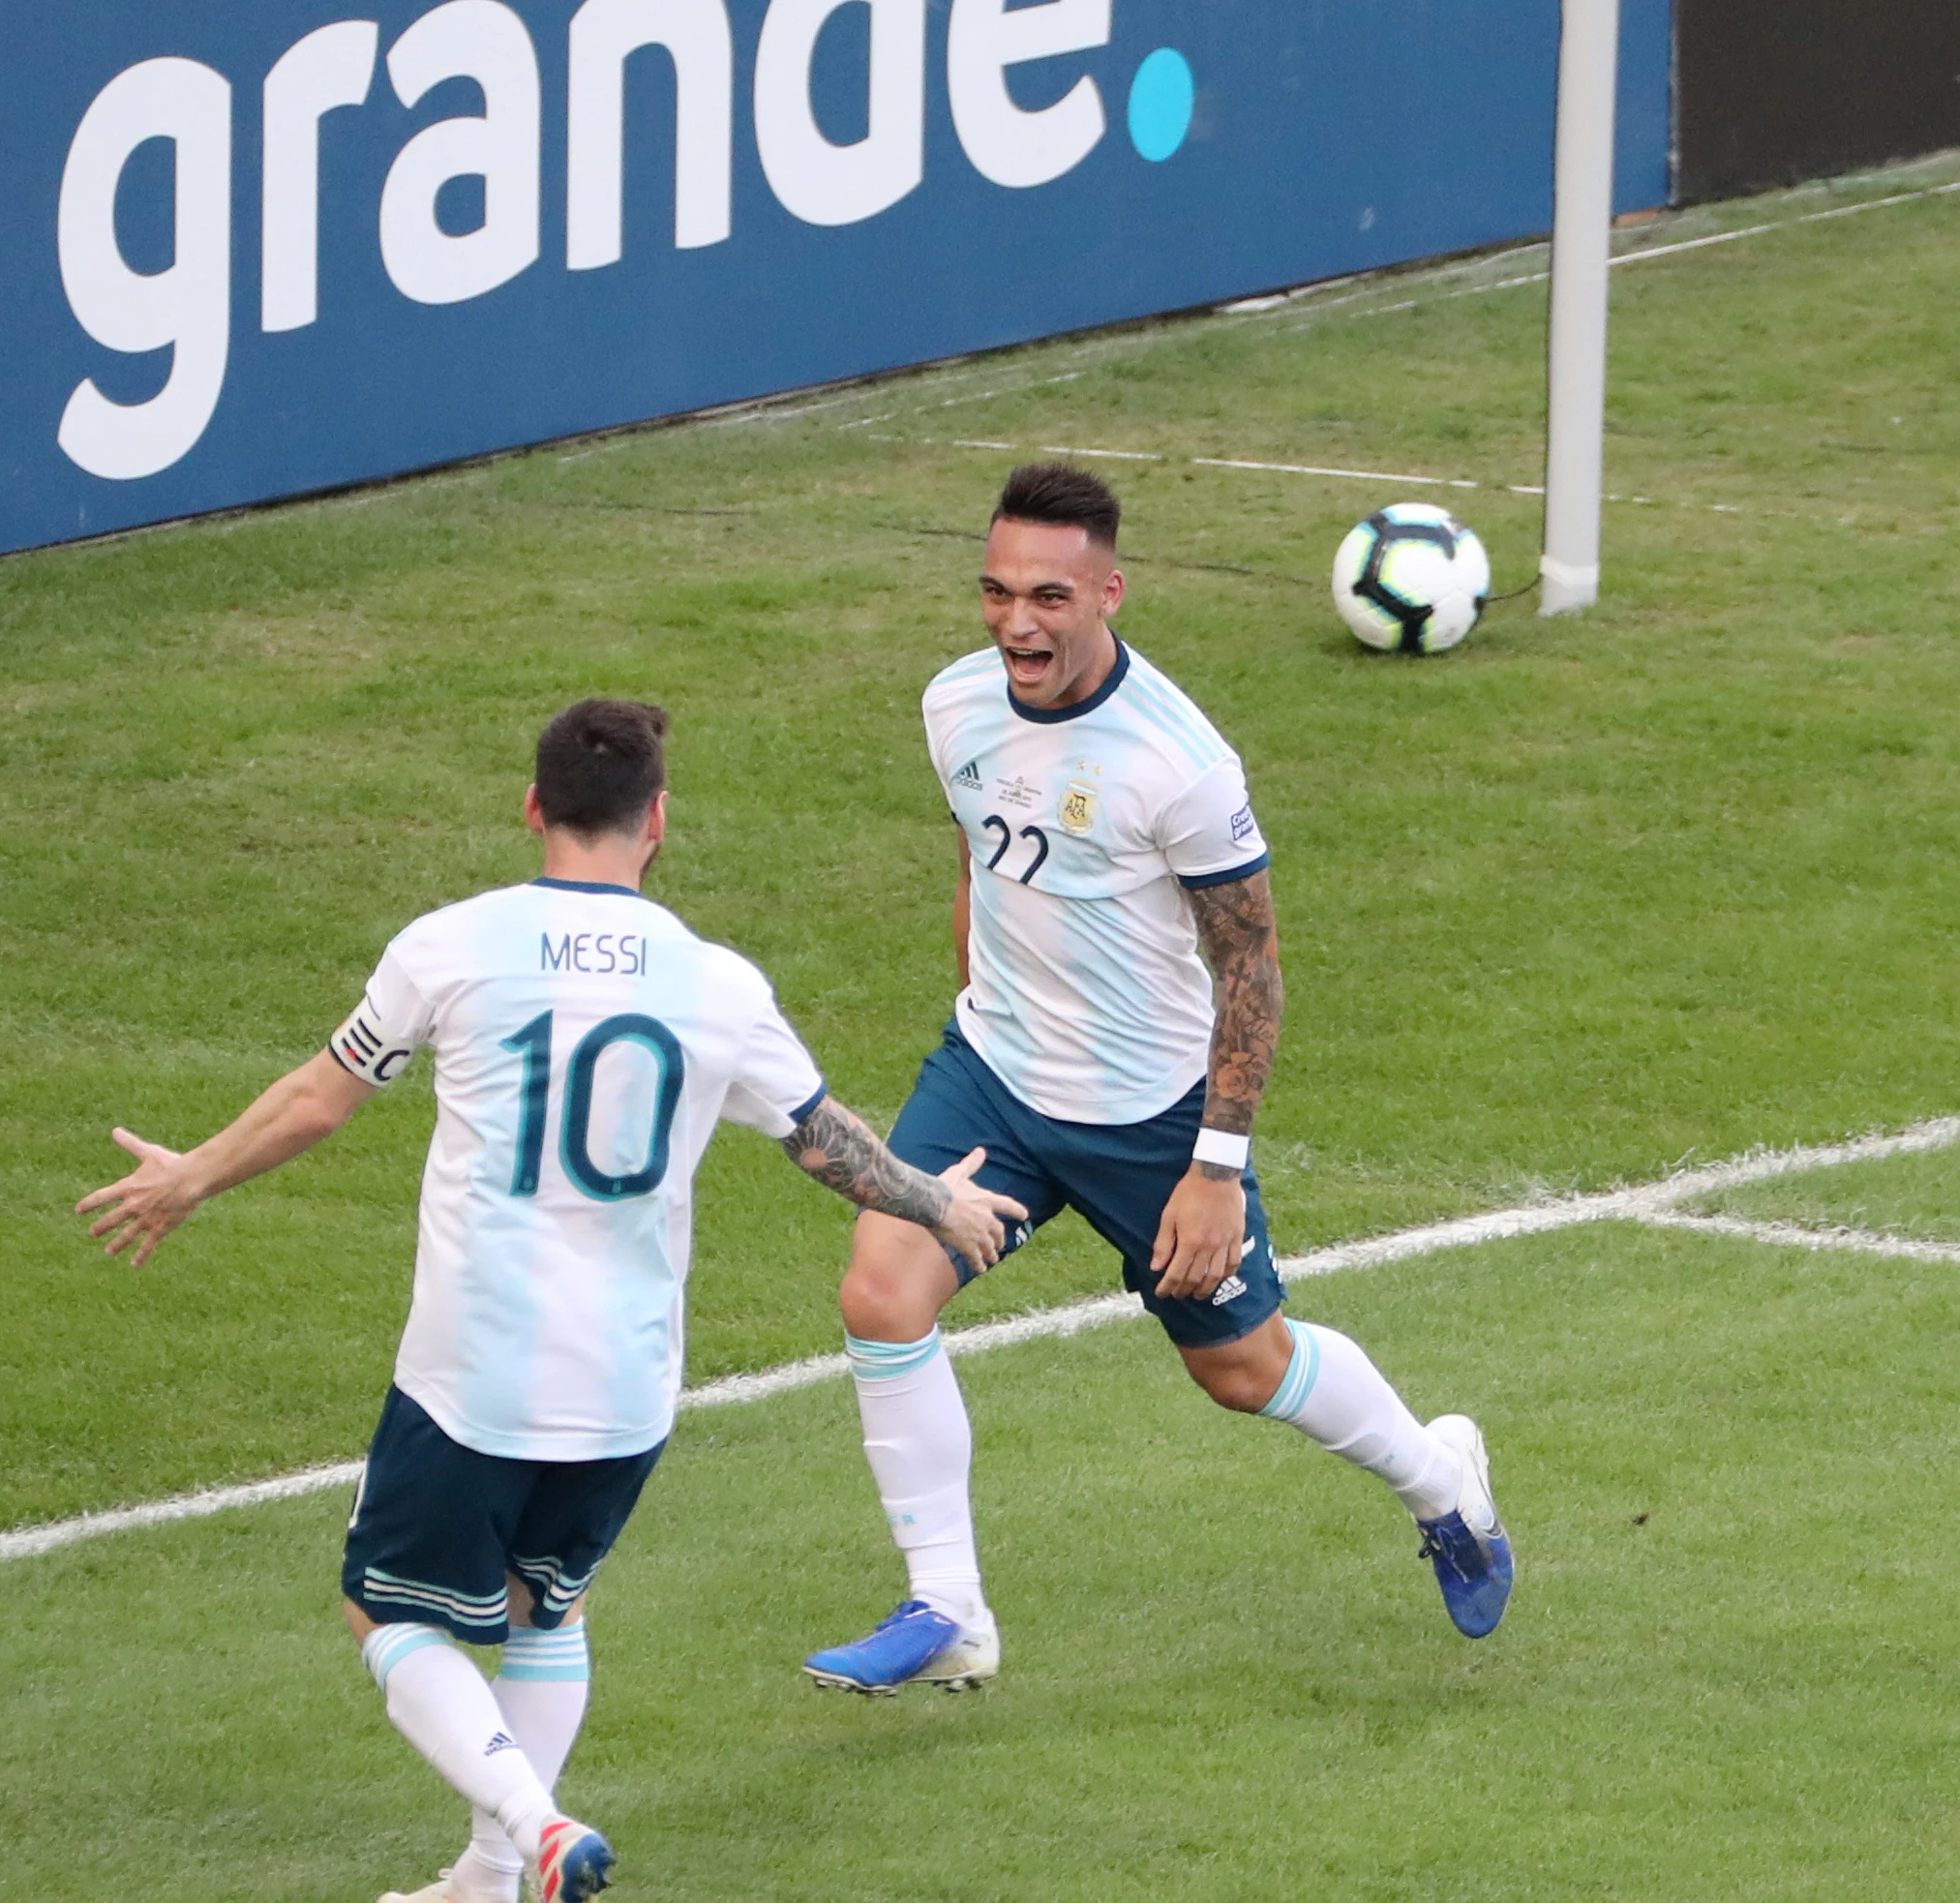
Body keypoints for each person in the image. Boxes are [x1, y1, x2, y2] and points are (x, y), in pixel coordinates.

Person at [80, 700, 1026, 1903]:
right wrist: (936, 1205)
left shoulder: (452, 946)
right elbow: (822, 1140)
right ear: (659, 822)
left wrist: (189, 1177)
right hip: (629, 1383)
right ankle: (490, 1878)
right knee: (546, 1603)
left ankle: (531, 1825)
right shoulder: (717, 984)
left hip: (476, 1370)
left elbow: (322, 1097)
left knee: (386, 1612)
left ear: (533, 809)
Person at [799, 465, 1514, 1699]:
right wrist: (988, 998)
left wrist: (1214, 1168)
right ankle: (949, 1607)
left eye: (1048, 596)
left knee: (1242, 1371)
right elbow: (982, 853)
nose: (1016, 622)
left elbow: (1251, 968)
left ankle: (1440, 1478)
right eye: (995, 591)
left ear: (1109, 592)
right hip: (997, 1079)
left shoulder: (1177, 761)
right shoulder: (955, 705)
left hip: (1149, 1118)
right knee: (880, 1292)